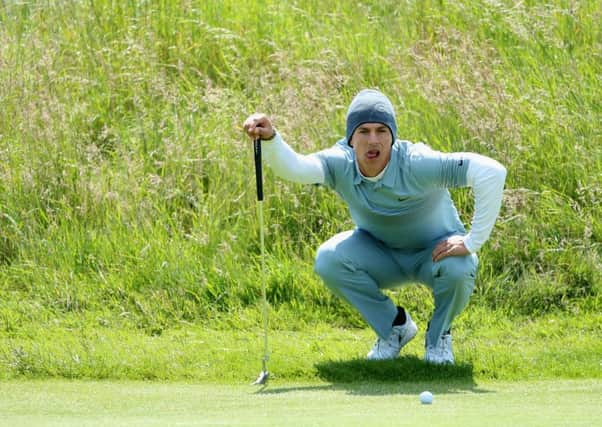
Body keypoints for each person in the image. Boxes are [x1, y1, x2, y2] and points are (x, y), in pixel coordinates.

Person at [243, 89, 506, 364]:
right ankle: (395, 328)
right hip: (381, 254)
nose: (373, 140)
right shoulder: (340, 163)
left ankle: (438, 338)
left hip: (435, 254)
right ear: (351, 138)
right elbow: (296, 168)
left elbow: (491, 171)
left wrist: (471, 241)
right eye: (364, 131)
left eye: (382, 130)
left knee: (462, 266)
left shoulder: (418, 162)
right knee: (328, 259)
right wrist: (271, 139)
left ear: (392, 135)